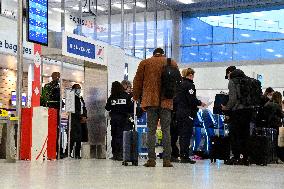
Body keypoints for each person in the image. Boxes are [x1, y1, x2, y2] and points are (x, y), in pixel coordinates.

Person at [133, 48, 178, 167]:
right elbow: (178, 82)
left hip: (150, 100)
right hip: (166, 101)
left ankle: (151, 160)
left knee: (151, 131)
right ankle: (167, 160)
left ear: (153, 54)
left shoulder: (145, 63)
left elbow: (137, 81)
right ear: (163, 54)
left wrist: (136, 96)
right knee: (166, 131)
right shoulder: (171, 62)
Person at [222, 67, 252, 165]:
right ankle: (245, 158)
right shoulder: (248, 80)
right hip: (248, 111)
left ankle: (236, 157)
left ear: (230, 73)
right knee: (245, 135)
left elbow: (233, 99)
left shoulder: (232, 82)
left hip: (238, 111)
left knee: (235, 135)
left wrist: (226, 107)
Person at [175, 68, 206, 163]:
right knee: (186, 134)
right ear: (190, 75)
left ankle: (182, 155)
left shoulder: (179, 85)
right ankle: (185, 156)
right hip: (187, 113)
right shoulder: (190, 85)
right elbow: (191, 100)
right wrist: (200, 103)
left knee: (181, 135)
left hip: (179, 113)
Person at [105, 81, 133, 161]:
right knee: (121, 136)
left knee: (114, 136)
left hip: (114, 119)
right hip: (123, 119)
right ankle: (121, 154)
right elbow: (130, 108)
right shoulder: (126, 96)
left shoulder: (112, 97)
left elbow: (107, 108)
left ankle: (115, 154)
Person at [70, 84, 87, 159]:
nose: (79, 90)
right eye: (77, 88)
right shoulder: (72, 98)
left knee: (79, 138)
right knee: (73, 137)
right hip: (75, 120)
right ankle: (69, 152)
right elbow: (73, 110)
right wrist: (80, 116)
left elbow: (84, 108)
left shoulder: (81, 98)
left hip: (81, 120)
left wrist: (85, 116)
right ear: (73, 89)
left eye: (80, 88)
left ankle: (77, 154)